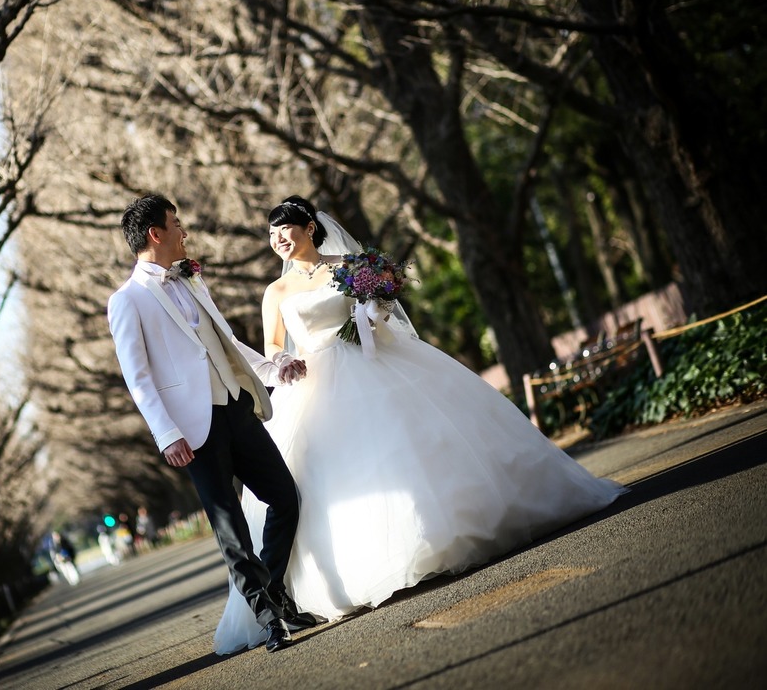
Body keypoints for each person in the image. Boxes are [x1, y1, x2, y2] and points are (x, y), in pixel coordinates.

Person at [212, 195, 627, 654]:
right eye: (272, 234)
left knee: (414, 441)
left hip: (371, 362)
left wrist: (376, 310)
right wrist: (282, 361)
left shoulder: (350, 266)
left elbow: (379, 314)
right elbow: (273, 345)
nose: (278, 240)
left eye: (285, 229)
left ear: (310, 227)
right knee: (343, 469)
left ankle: (451, 530)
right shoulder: (276, 291)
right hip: (312, 381)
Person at [108, 193, 314, 652]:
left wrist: (273, 368)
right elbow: (138, 379)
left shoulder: (192, 279)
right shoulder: (127, 301)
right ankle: (269, 619)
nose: (184, 232)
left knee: (285, 497)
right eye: (176, 224)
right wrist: (167, 434)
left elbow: (226, 341)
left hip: (236, 406)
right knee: (231, 529)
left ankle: (273, 590)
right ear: (155, 234)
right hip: (192, 430)